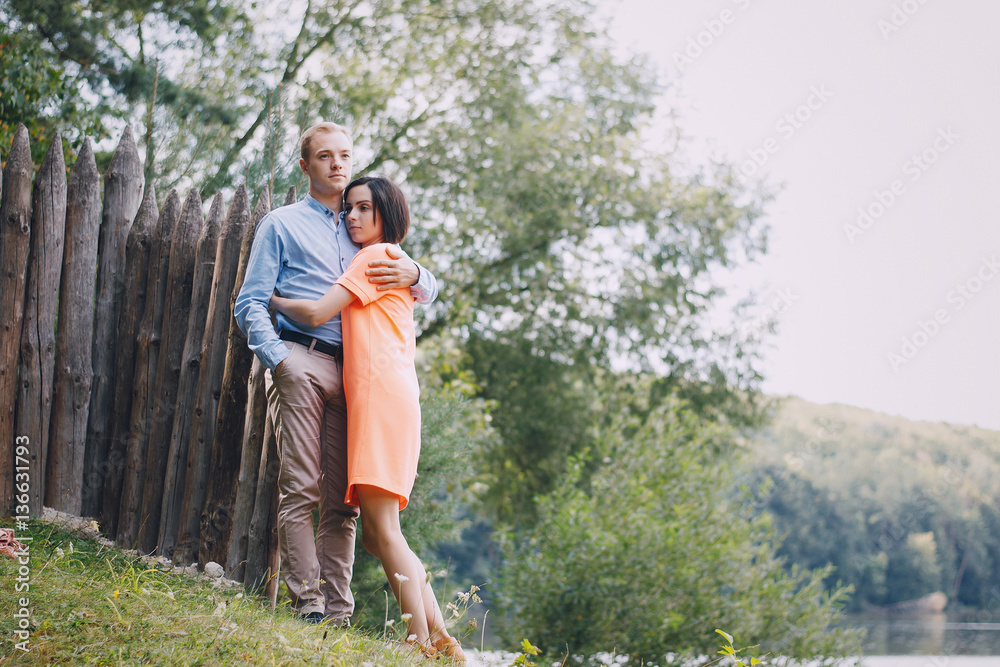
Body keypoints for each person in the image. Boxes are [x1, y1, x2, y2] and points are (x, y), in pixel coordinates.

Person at [234, 122, 438, 627]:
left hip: (357, 379)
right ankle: (308, 602)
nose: (337, 165)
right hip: (300, 359)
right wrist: (279, 359)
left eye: (344, 155)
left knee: (344, 502)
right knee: (302, 486)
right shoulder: (281, 224)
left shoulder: (359, 228)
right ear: (306, 166)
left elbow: (413, 277)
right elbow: (249, 302)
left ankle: (338, 613)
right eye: (325, 156)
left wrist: (420, 275)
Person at [270, 176, 464, 661]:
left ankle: (417, 641)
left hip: (380, 400)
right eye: (349, 209)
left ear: (387, 216)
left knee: (384, 530)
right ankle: (440, 638)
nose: (351, 216)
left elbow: (316, 313)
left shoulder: (376, 256)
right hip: (389, 399)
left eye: (364, 209)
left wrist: (266, 298)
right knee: (379, 536)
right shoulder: (394, 259)